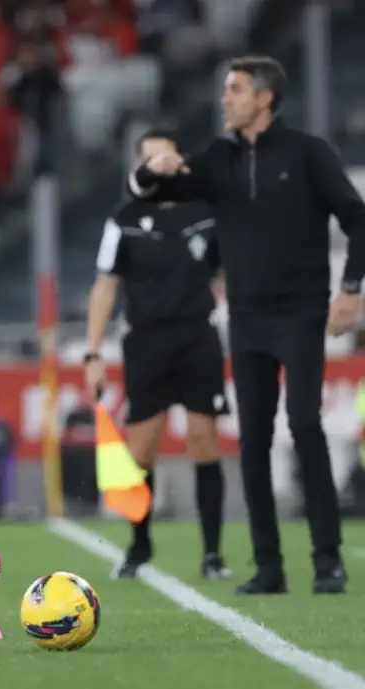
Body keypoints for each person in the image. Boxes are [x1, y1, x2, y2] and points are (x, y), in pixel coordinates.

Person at [129, 56, 365, 595]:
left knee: (305, 425)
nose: (224, 99)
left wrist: (350, 289)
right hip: (248, 318)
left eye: (234, 89)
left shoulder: (307, 153)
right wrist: (150, 170)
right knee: (253, 438)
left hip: (302, 313)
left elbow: (358, 218)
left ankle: (327, 559)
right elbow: (150, 193)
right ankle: (270, 566)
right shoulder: (218, 159)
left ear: (264, 98)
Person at [87, 129, 231, 581]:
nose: (159, 167)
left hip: (197, 337)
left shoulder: (205, 213)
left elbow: (231, 270)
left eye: (164, 157)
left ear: (180, 161)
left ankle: (212, 554)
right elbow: (106, 285)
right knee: (141, 449)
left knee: (204, 440)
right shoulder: (124, 218)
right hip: (146, 341)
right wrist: (93, 352)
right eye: (148, 160)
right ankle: (139, 544)